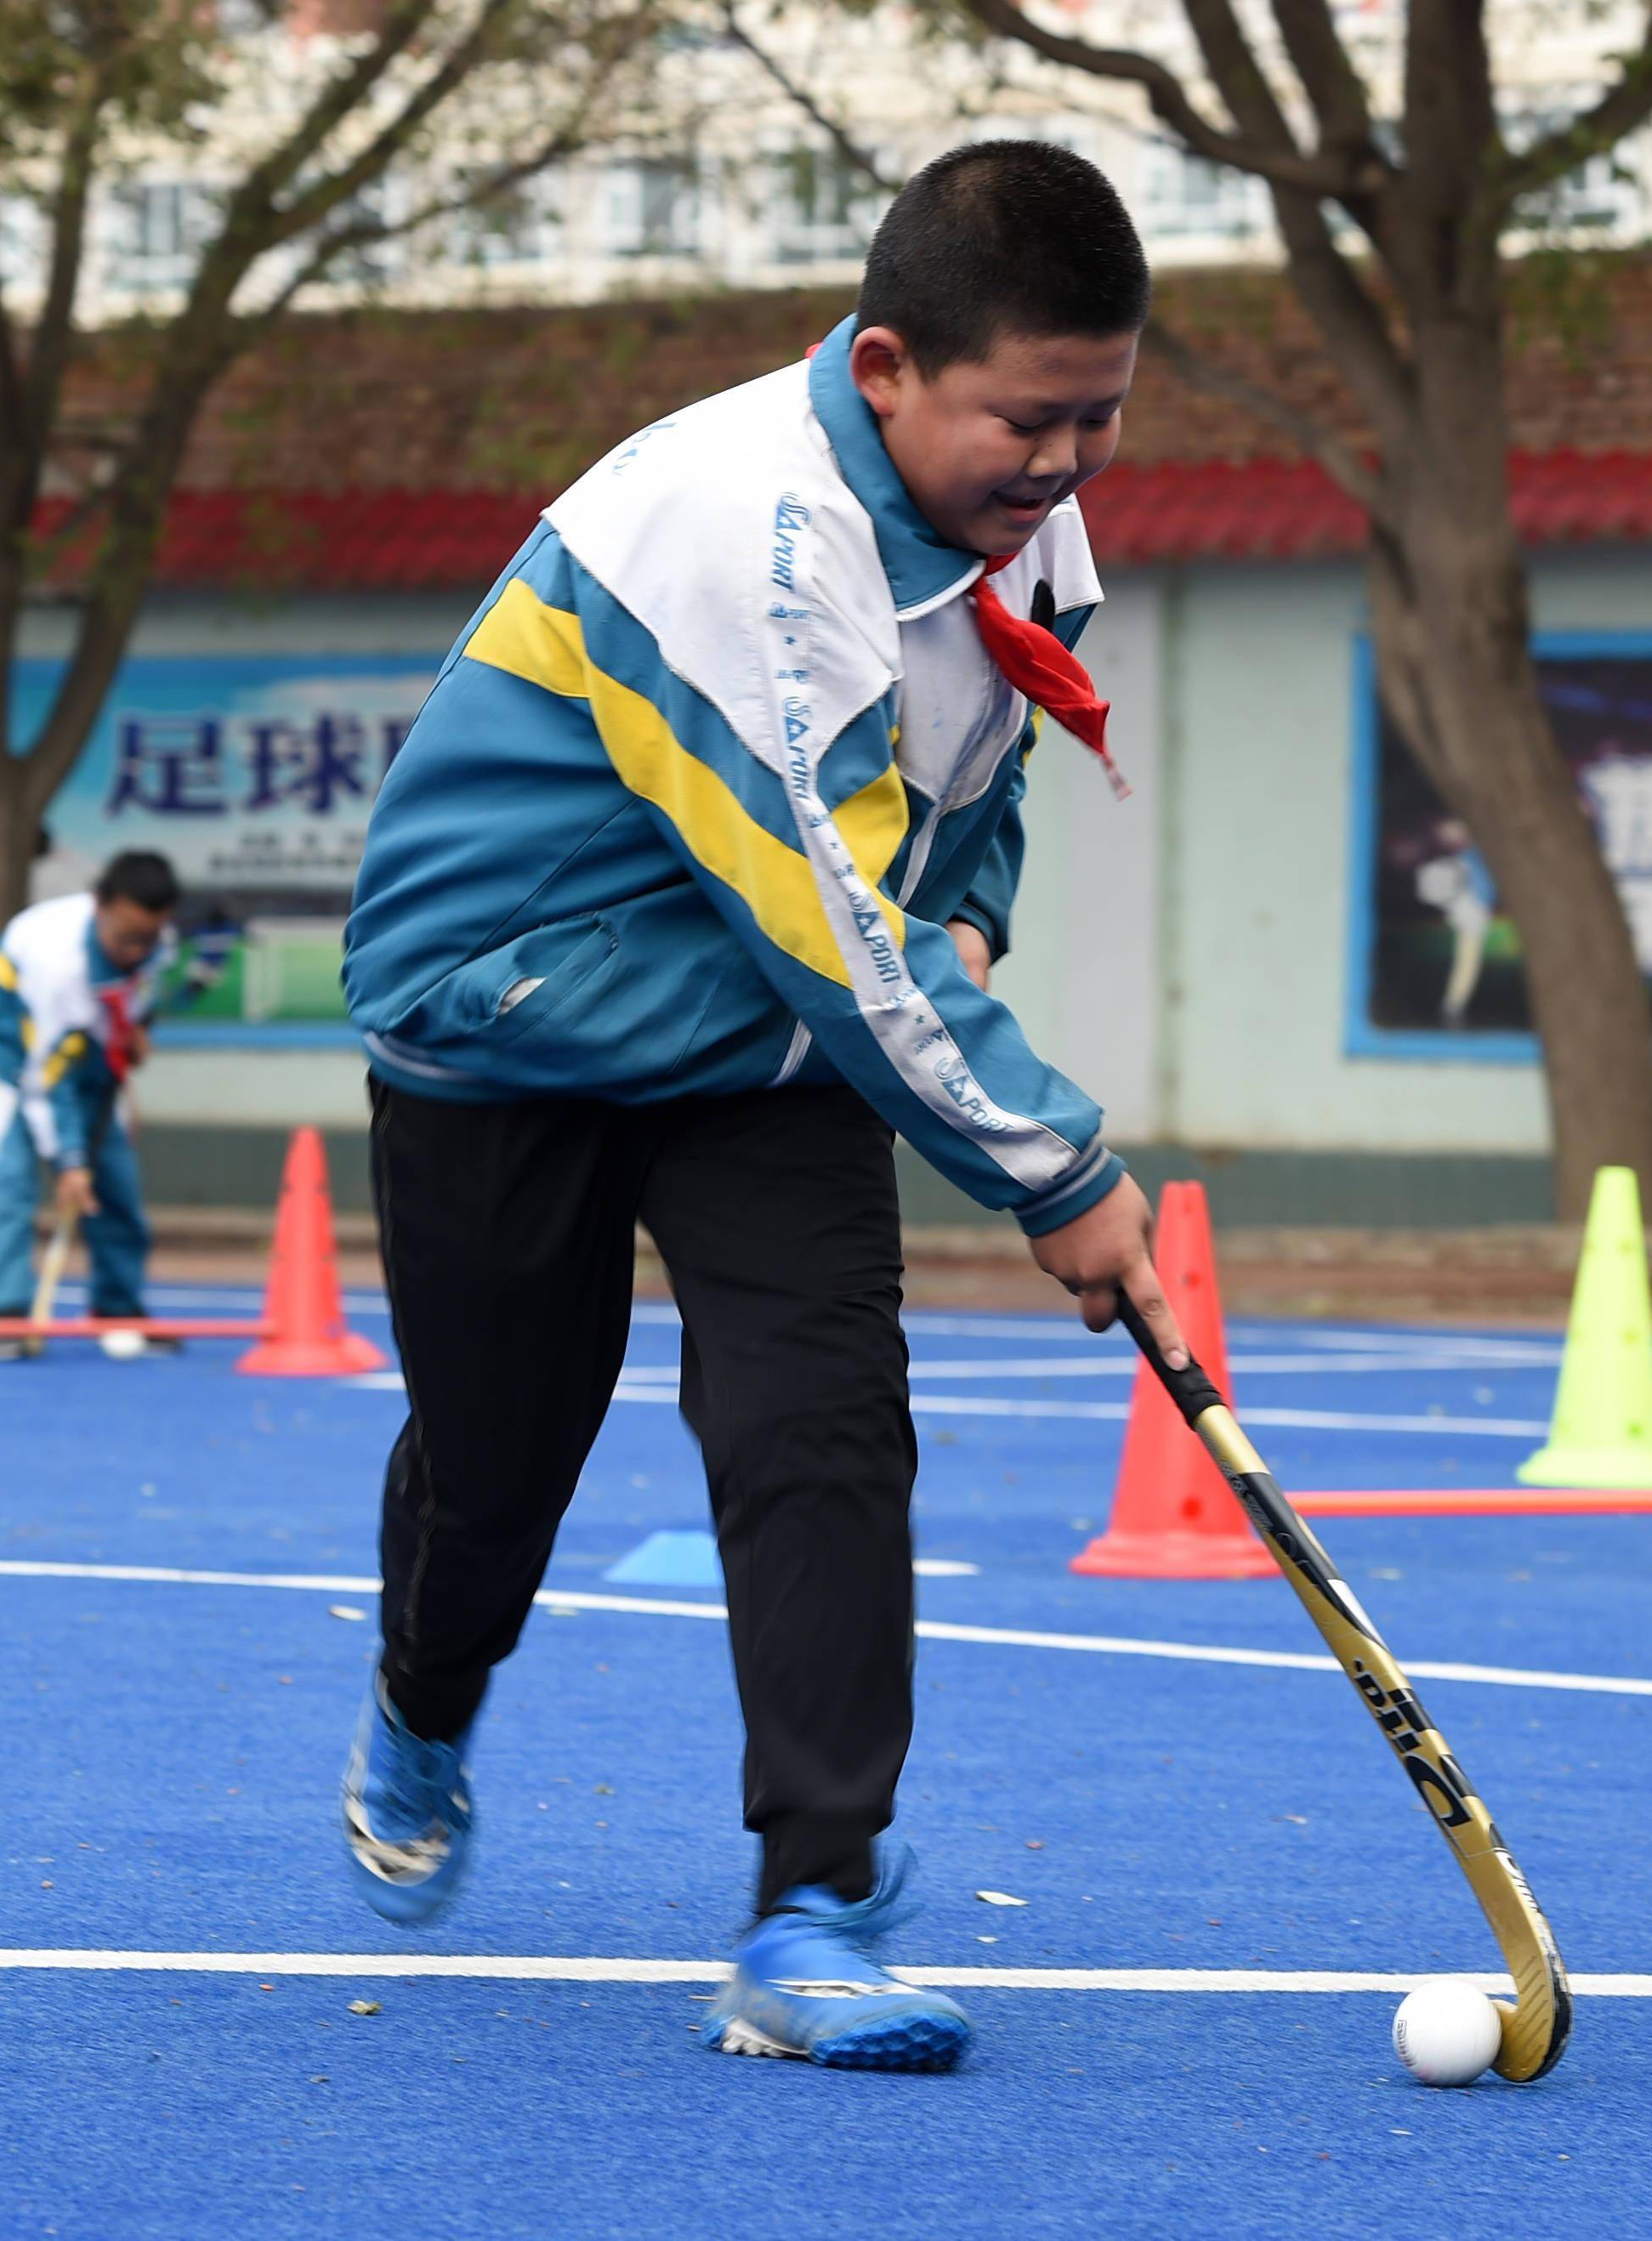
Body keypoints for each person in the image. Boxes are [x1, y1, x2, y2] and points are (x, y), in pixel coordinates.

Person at [332, 139, 1183, 2078]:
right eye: (1025, 419)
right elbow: (822, 921)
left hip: (762, 1036)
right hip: (512, 1010)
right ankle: (424, 1686)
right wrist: (1055, 1166)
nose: (1058, 465)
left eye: (1097, 418)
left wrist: (966, 910)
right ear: (883, 366)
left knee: (819, 1426)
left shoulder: (1007, 512)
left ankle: (815, 1900)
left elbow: (969, 771)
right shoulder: (751, 534)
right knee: (497, 1468)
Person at [0, 849, 183, 1361]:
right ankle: (5, 1316)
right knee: (9, 1181)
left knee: (115, 1187)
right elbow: (48, 1080)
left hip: (88, 1064)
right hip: (11, 1062)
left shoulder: (155, 945)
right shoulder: (55, 958)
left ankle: (118, 1310)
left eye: (147, 937)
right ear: (99, 906)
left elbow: (137, 1006)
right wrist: (71, 1162)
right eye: (126, 937)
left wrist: (138, 1037)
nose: (135, 950)